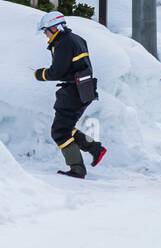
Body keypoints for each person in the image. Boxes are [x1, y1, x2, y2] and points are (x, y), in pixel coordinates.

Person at [33, 10, 107, 178]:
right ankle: (95, 148)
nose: (45, 35)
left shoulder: (63, 43)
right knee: (65, 127)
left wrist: (40, 74)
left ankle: (77, 169)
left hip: (73, 92)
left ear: (54, 28)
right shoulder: (76, 39)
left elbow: (57, 72)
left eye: (46, 31)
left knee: (59, 132)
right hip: (84, 90)